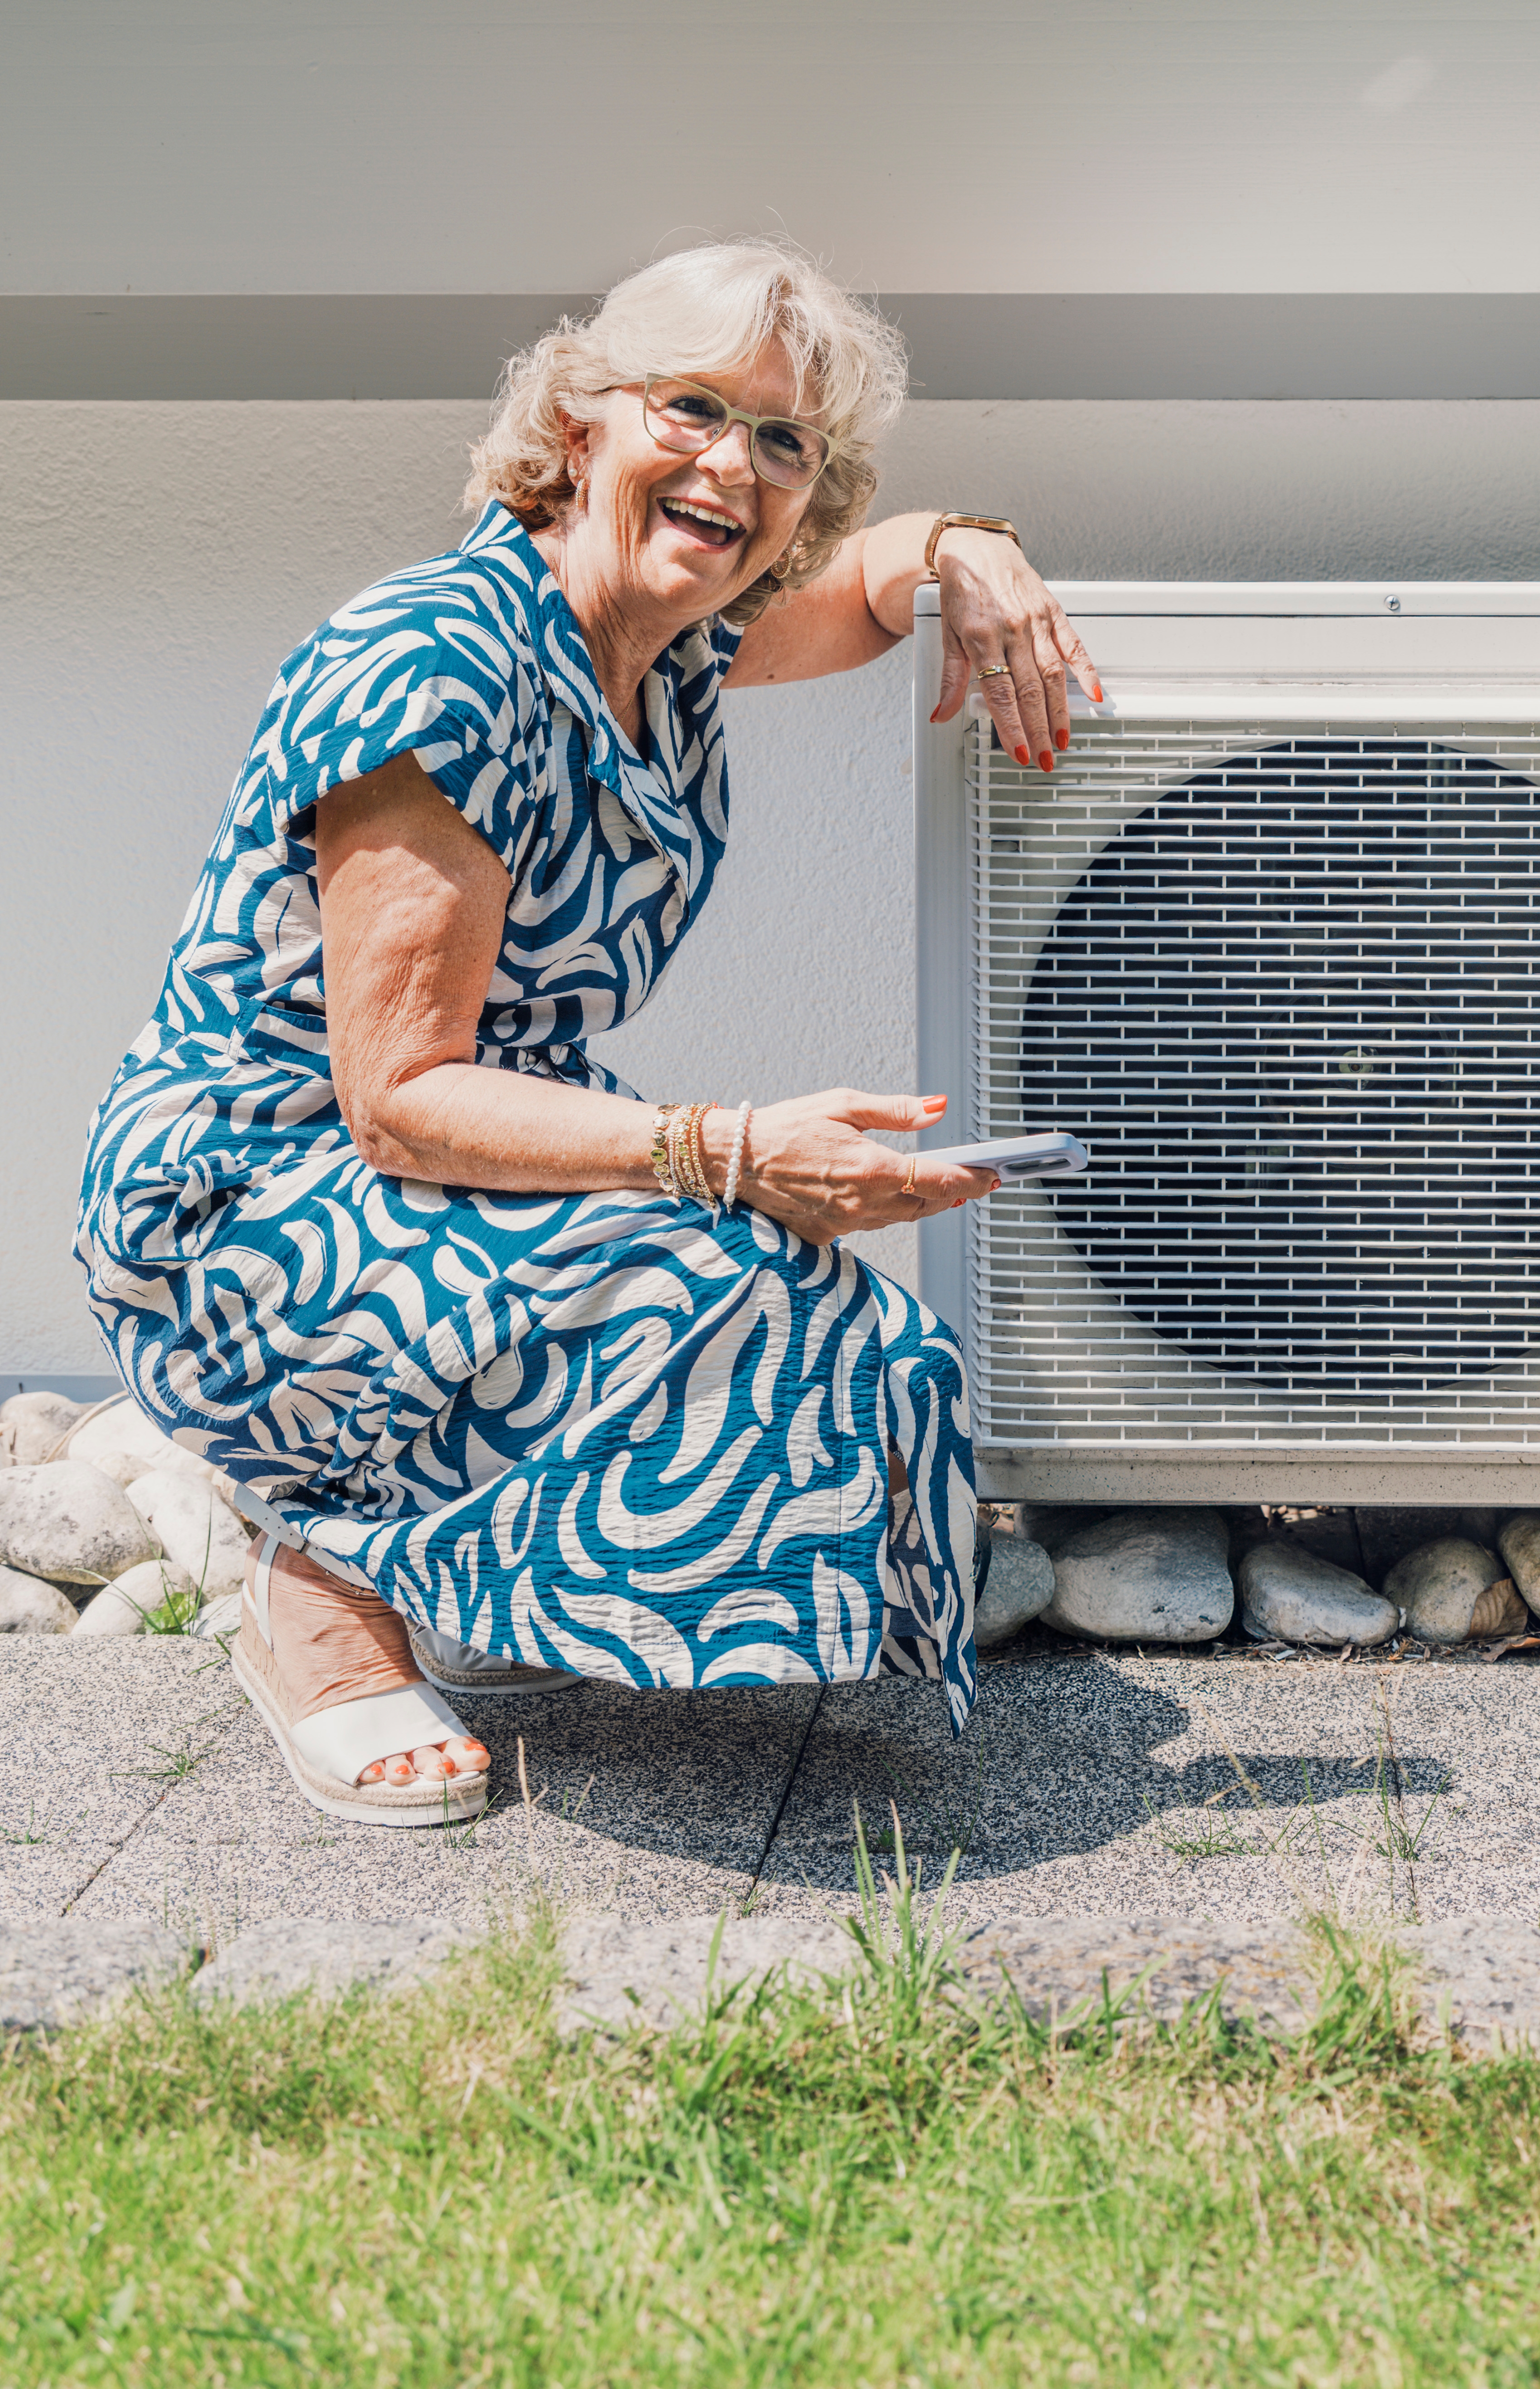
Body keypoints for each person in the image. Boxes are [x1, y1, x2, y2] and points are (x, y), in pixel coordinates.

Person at [74, 240, 1099, 1827]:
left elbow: (861, 590)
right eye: (694, 408)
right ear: (580, 424)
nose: (735, 466)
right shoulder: (445, 662)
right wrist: (730, 1150)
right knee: (715, 1292)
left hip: (444, 1141)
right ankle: (316, 1573)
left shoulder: (665, 637)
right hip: (255, 1194)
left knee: (854, 1335)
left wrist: (965, 548)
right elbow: (398, 1097)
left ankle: (451, 1559)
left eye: (783, 441)